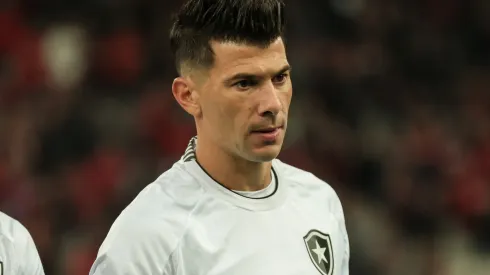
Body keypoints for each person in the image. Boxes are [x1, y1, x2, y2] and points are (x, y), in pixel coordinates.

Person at [90, 0, 349, 274]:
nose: (272, 104)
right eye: (245, 83)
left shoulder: (321, 202)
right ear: (188, 96)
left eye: (280, 78)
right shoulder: (149, 239)